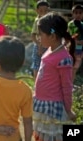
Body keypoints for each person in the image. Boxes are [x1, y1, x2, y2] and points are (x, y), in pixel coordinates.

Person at [33, 12, 77, 141]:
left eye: (41, 34)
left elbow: (67, 87)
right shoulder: (50, 50)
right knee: (41, 135)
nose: (39, 38)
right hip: (42, 105)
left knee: (54, 136)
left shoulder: (63, 58)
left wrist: (68, 110)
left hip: (52, 108)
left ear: (52, 36)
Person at [30, 0, 49, 80]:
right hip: (39, 46)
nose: (43, 13)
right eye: (41, 11)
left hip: (47, 45)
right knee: (37, 65)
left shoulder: (49, 21)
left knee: (46, 65)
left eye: (45, 11)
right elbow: (33, 35)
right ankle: (36, 84)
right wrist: (39, 45)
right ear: (37, 10)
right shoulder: (38, 21)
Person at [67, 4, 83, 79]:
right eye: (76, 13)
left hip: (80, 49)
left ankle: (71, 83)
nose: (78, 15)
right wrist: (76, 39)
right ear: (73, 14)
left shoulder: (82, 25)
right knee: (70, 67)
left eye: (80, 13)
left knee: (75, 68)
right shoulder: (71, 24)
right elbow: (70, 35)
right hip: (72, 48)